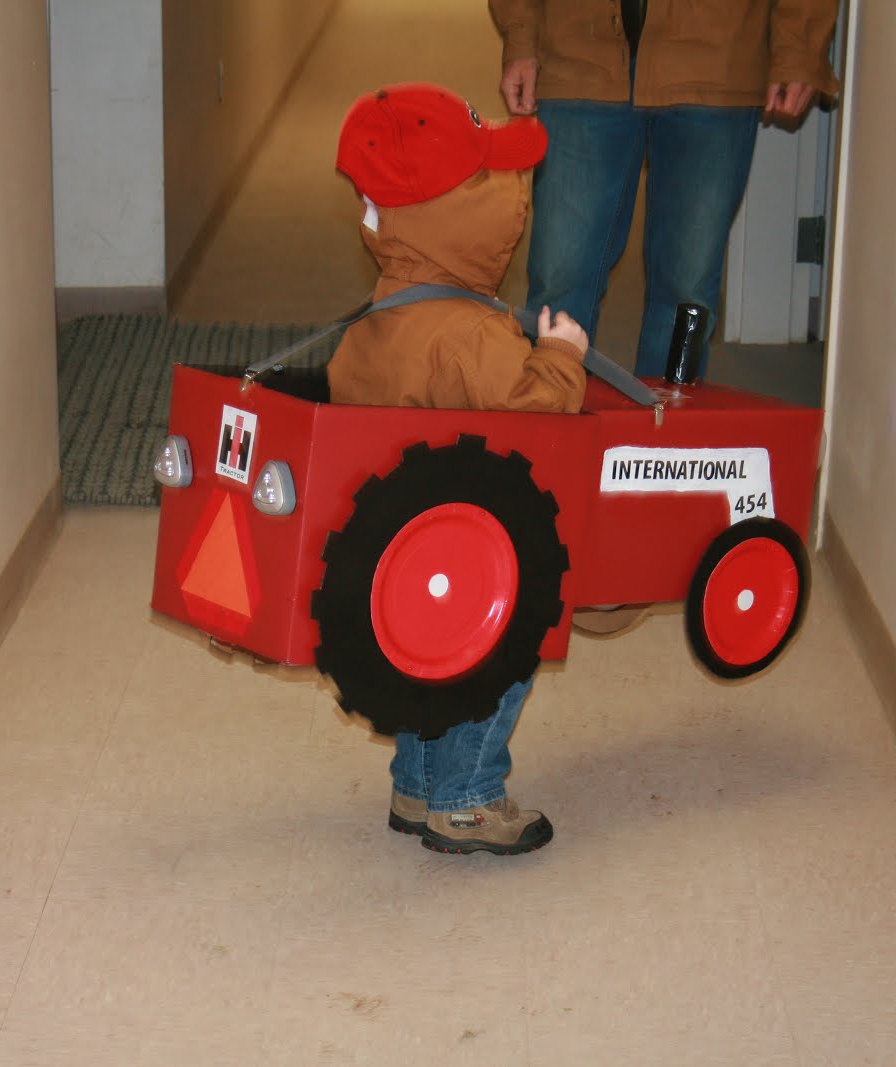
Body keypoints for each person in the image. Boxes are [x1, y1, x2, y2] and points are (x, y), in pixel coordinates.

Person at [328, 82, 587, 856]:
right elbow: (537, 411)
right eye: (494, 181)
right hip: (474, 550)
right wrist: (562, 357)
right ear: (459, 211)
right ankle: (468, 797)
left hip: (406, 559)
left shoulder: (374, 323)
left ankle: (417, 783)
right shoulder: (471, 337)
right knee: (497, 647)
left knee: (420, 658)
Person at [489, 0, 840, 377]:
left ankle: (665, 429)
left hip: (717, 57)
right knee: (560, 278)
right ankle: (551, 423)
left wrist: (799, 51)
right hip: (579, 50)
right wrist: (522, 38)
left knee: (686, 293)